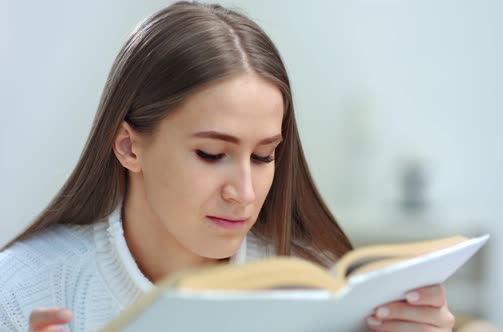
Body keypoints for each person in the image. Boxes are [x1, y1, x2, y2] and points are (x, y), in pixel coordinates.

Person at [0, 2, 456, 331]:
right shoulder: (21, 292)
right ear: (128, 146)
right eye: (212, 154)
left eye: (263, 156)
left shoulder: (314, 289)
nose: (245, 192)